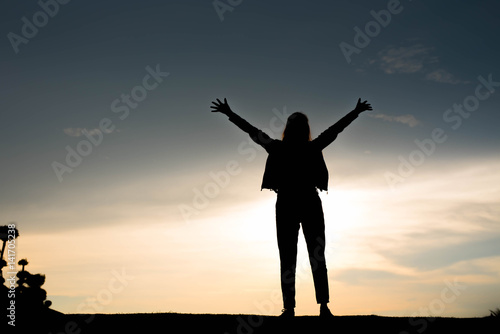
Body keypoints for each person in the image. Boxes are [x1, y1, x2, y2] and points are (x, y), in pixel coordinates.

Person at [210, 98, 372, 318]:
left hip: (291, 203)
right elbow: (334, 131)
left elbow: (253, 131)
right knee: (312, 256)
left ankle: (295, 308)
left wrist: (230, 113)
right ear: (304, 129)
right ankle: (317, 307)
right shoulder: (307, 147)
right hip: (304, 202)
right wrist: (356, 112)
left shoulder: (280, 148)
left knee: (291, 257)